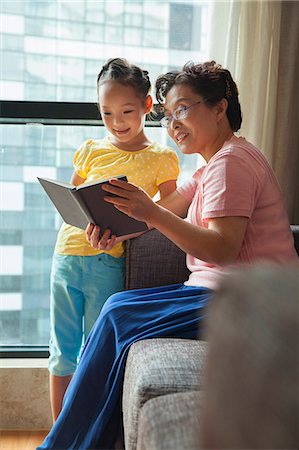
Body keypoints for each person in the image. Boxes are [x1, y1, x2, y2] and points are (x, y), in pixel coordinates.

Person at [38, 61, 298, 449]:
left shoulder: (233, 164)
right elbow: (158, 214)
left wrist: (152, 212)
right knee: (117, 310)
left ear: (220, 107)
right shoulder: (211, 166)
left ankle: (67, 445)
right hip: (218, 293)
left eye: (183, 109)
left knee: (117, 313)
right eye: (167, 115)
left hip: (247, 300)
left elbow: (223, 248)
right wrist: (111, 229)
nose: (173, 124)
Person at [48, 57, 179, 421]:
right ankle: (61, 433)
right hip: (66, 256)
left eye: (126, 111)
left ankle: (90, 429)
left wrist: (137, 225)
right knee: (62, 350)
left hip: (109, 260)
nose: (117, 122)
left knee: (96, 349)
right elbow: (73, 196)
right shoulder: (90, 149)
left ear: (147, 106)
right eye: (107, 113)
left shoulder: (162, 158)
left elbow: (171, 208)